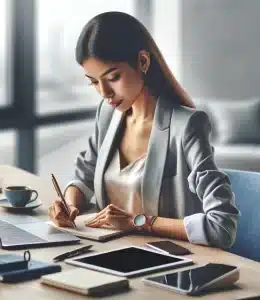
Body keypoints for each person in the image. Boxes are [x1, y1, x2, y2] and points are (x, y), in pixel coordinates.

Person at [48, 11, 240, 249]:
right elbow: (85, 174)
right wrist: (68, 204)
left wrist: (138, 222)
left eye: (113, 77)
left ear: (143, 62)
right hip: (105, 252)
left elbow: (223, 226)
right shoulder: (107, 114)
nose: (104, 93)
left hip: (166, 264)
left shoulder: (188, 126)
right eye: (94, 82)